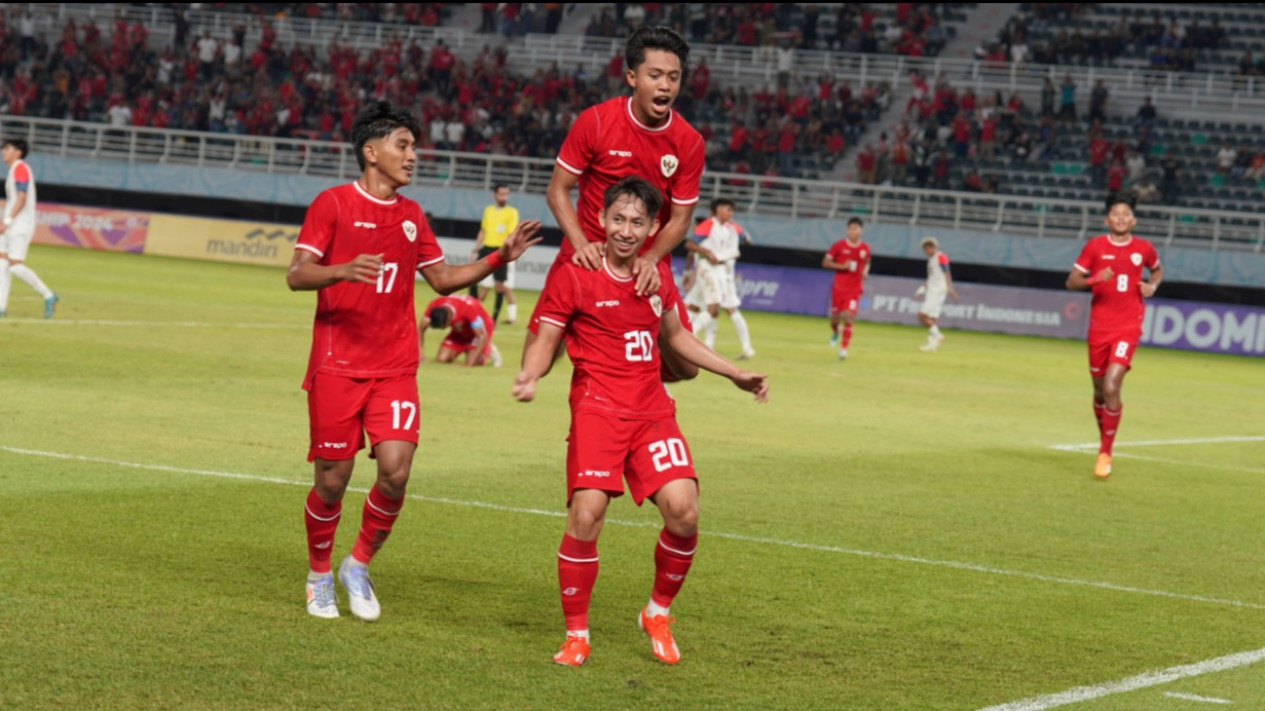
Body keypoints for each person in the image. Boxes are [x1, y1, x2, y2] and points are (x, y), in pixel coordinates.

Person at [286, 101, 541, 622]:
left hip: (396, 366)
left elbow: (442, 279)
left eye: (413, 146)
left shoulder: (411, 215)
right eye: (403, 145)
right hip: (337, 364)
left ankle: (357, 565)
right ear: (371, 151)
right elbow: (297, 274)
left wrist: (499, 258)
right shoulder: (332, 204)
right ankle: (318, 575)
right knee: (331, 481)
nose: (413, 155)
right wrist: (340, 270)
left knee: (396, 473)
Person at [512, 176, 769, 668]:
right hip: (597, 412)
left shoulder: (656, 277)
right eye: (617, 219)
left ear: (653, 228)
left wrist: (733, 372)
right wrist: (530, 373)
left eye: (637, 222)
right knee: (586, 515)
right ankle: (577, 635)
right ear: (602, 221)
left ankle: (657, 612)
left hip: (652, 412)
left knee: (685, 511)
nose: (626, 230)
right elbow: (546, 334)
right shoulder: (575, 273)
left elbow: (677, 338)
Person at [534, 25, 705, 382]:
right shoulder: (596, 121)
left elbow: (680, 219)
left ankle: (623, 369)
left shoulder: (688, 141)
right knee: (538, 362)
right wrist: (581, 245)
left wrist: (650, 258)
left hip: (646, 257)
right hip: (587, 251)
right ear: (632, 77)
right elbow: (557, 190)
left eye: (674, 77)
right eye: (655, 75)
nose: (665, 86)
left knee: (685, 369)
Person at [1065, 195, 1162, 479]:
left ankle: (1105, 452)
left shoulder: (1144, 248)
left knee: (1111, 384)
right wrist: (1095, 279)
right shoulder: (1095, 246)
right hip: (1099, 328)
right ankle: (1104, 440)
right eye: (1115, 214)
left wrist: (1152, 286)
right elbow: (1071, 282)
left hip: (1128, 326)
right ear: (1107, 220)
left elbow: (1156, 269)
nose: (1120, 218)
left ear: (1134, 220)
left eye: (1126, 214)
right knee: (1099, 390)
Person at [685, 197, 755, 359]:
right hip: (708, 269)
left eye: (731, 210)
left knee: (700, 307)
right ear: (717, 211)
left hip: (722, 271)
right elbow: (690, 245)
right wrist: (708, 253)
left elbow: (746, 239)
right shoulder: (709, 225)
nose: (730, 213)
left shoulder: (731, 227)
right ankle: (691, 340)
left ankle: (702, 342)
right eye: (727, 209)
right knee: (711, 307)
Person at [0, 138, 58, 319]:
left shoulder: (20, 168)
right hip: (11, 223)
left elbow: (22, 197)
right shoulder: (13, 170)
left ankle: (48, 295)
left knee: (15, 267)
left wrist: (7, 221)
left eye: (7, 148)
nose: (3, 151)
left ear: (18, 152)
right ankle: (1, 306)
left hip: (20, 225)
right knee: (1, 263)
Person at [468, 184, 520, 324]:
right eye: (502, 194)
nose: (504, 197)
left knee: (499, 286)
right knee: (472, 278)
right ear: (495, 195)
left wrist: (507, 252)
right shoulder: (488, 210)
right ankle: (473, 311)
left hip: (501, 250)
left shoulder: (512, 212)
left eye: (506, 194)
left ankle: (494, 320)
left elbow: (511, 234)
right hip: (486, 248)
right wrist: (475, 249)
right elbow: (483, 230)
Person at [823, 217, 871, 359]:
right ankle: (836, 331)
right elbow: (825, 262)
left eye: (855, 228)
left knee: (849, 316)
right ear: (846, 230)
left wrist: (865, 271)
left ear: (861, 231)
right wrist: (841, 266)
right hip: (839, 288)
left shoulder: (865, 248)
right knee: (835, 319)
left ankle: (844, 349)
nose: (852, 231)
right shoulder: (839, 245)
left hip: (854, 289)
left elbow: (867, 261)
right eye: (850, 228)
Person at [418, 294, 502, 367]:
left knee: (475, 362)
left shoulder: (467, 308)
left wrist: (468, 365)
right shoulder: (435, 305)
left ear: (449, 318)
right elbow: (420, 330)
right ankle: (468, 349)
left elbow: (482, 336)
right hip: (460, 331)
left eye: (443, 327)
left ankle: (489, 348)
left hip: (482, 331)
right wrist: (420, 354)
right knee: (442, 359)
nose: (442, 329)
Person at [914, 236, 957, 352]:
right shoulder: (931, 260)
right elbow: (931, 277)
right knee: (932, 318)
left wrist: (949, 287)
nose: (926, 251)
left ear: (934, 247)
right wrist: (923, 288)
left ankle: (937, 335)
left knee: (921, 315)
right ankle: (932, 345)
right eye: (925, 249)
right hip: (932, 290)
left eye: (928, 248)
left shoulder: (941, 256)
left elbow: (947, 272)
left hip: (937, 291)